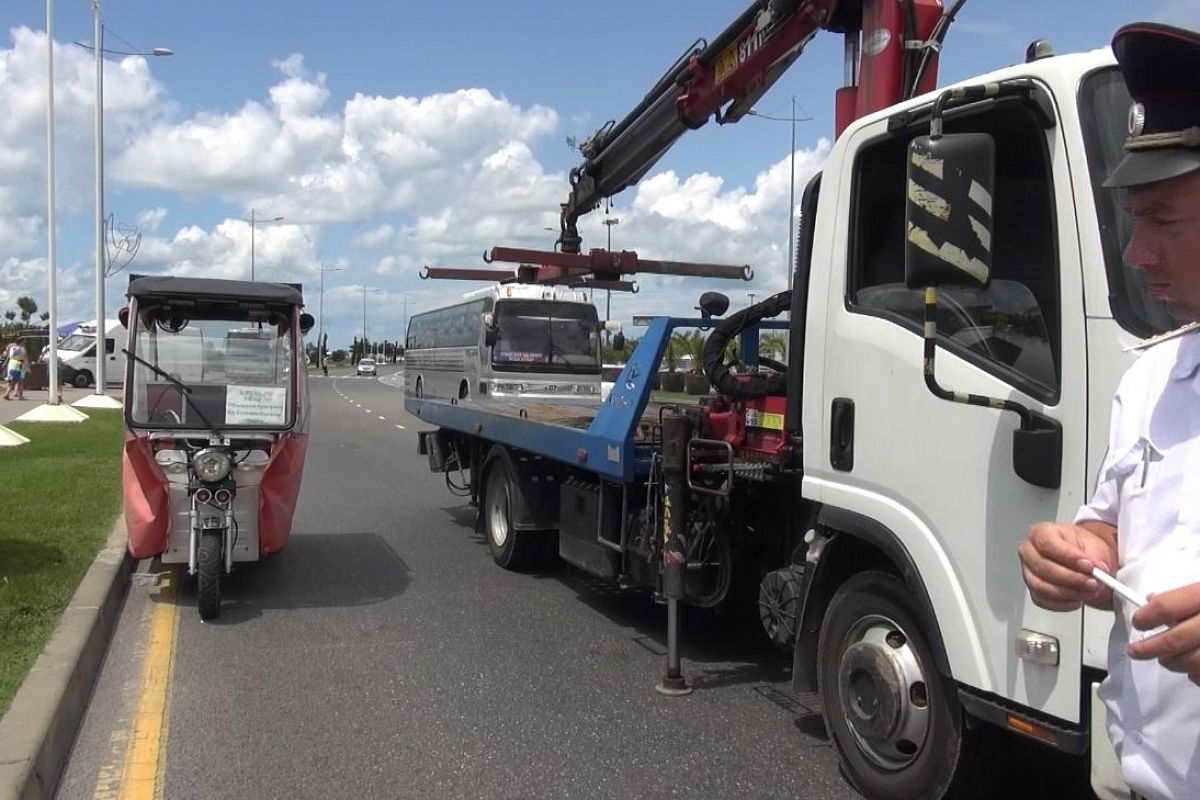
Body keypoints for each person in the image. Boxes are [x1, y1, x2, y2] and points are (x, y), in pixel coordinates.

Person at [1018, 21, 1200, 800]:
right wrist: (1075, 552)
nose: (1135, 253)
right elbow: (1120, 526)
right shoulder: (1151, 376)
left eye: (1161, 219)